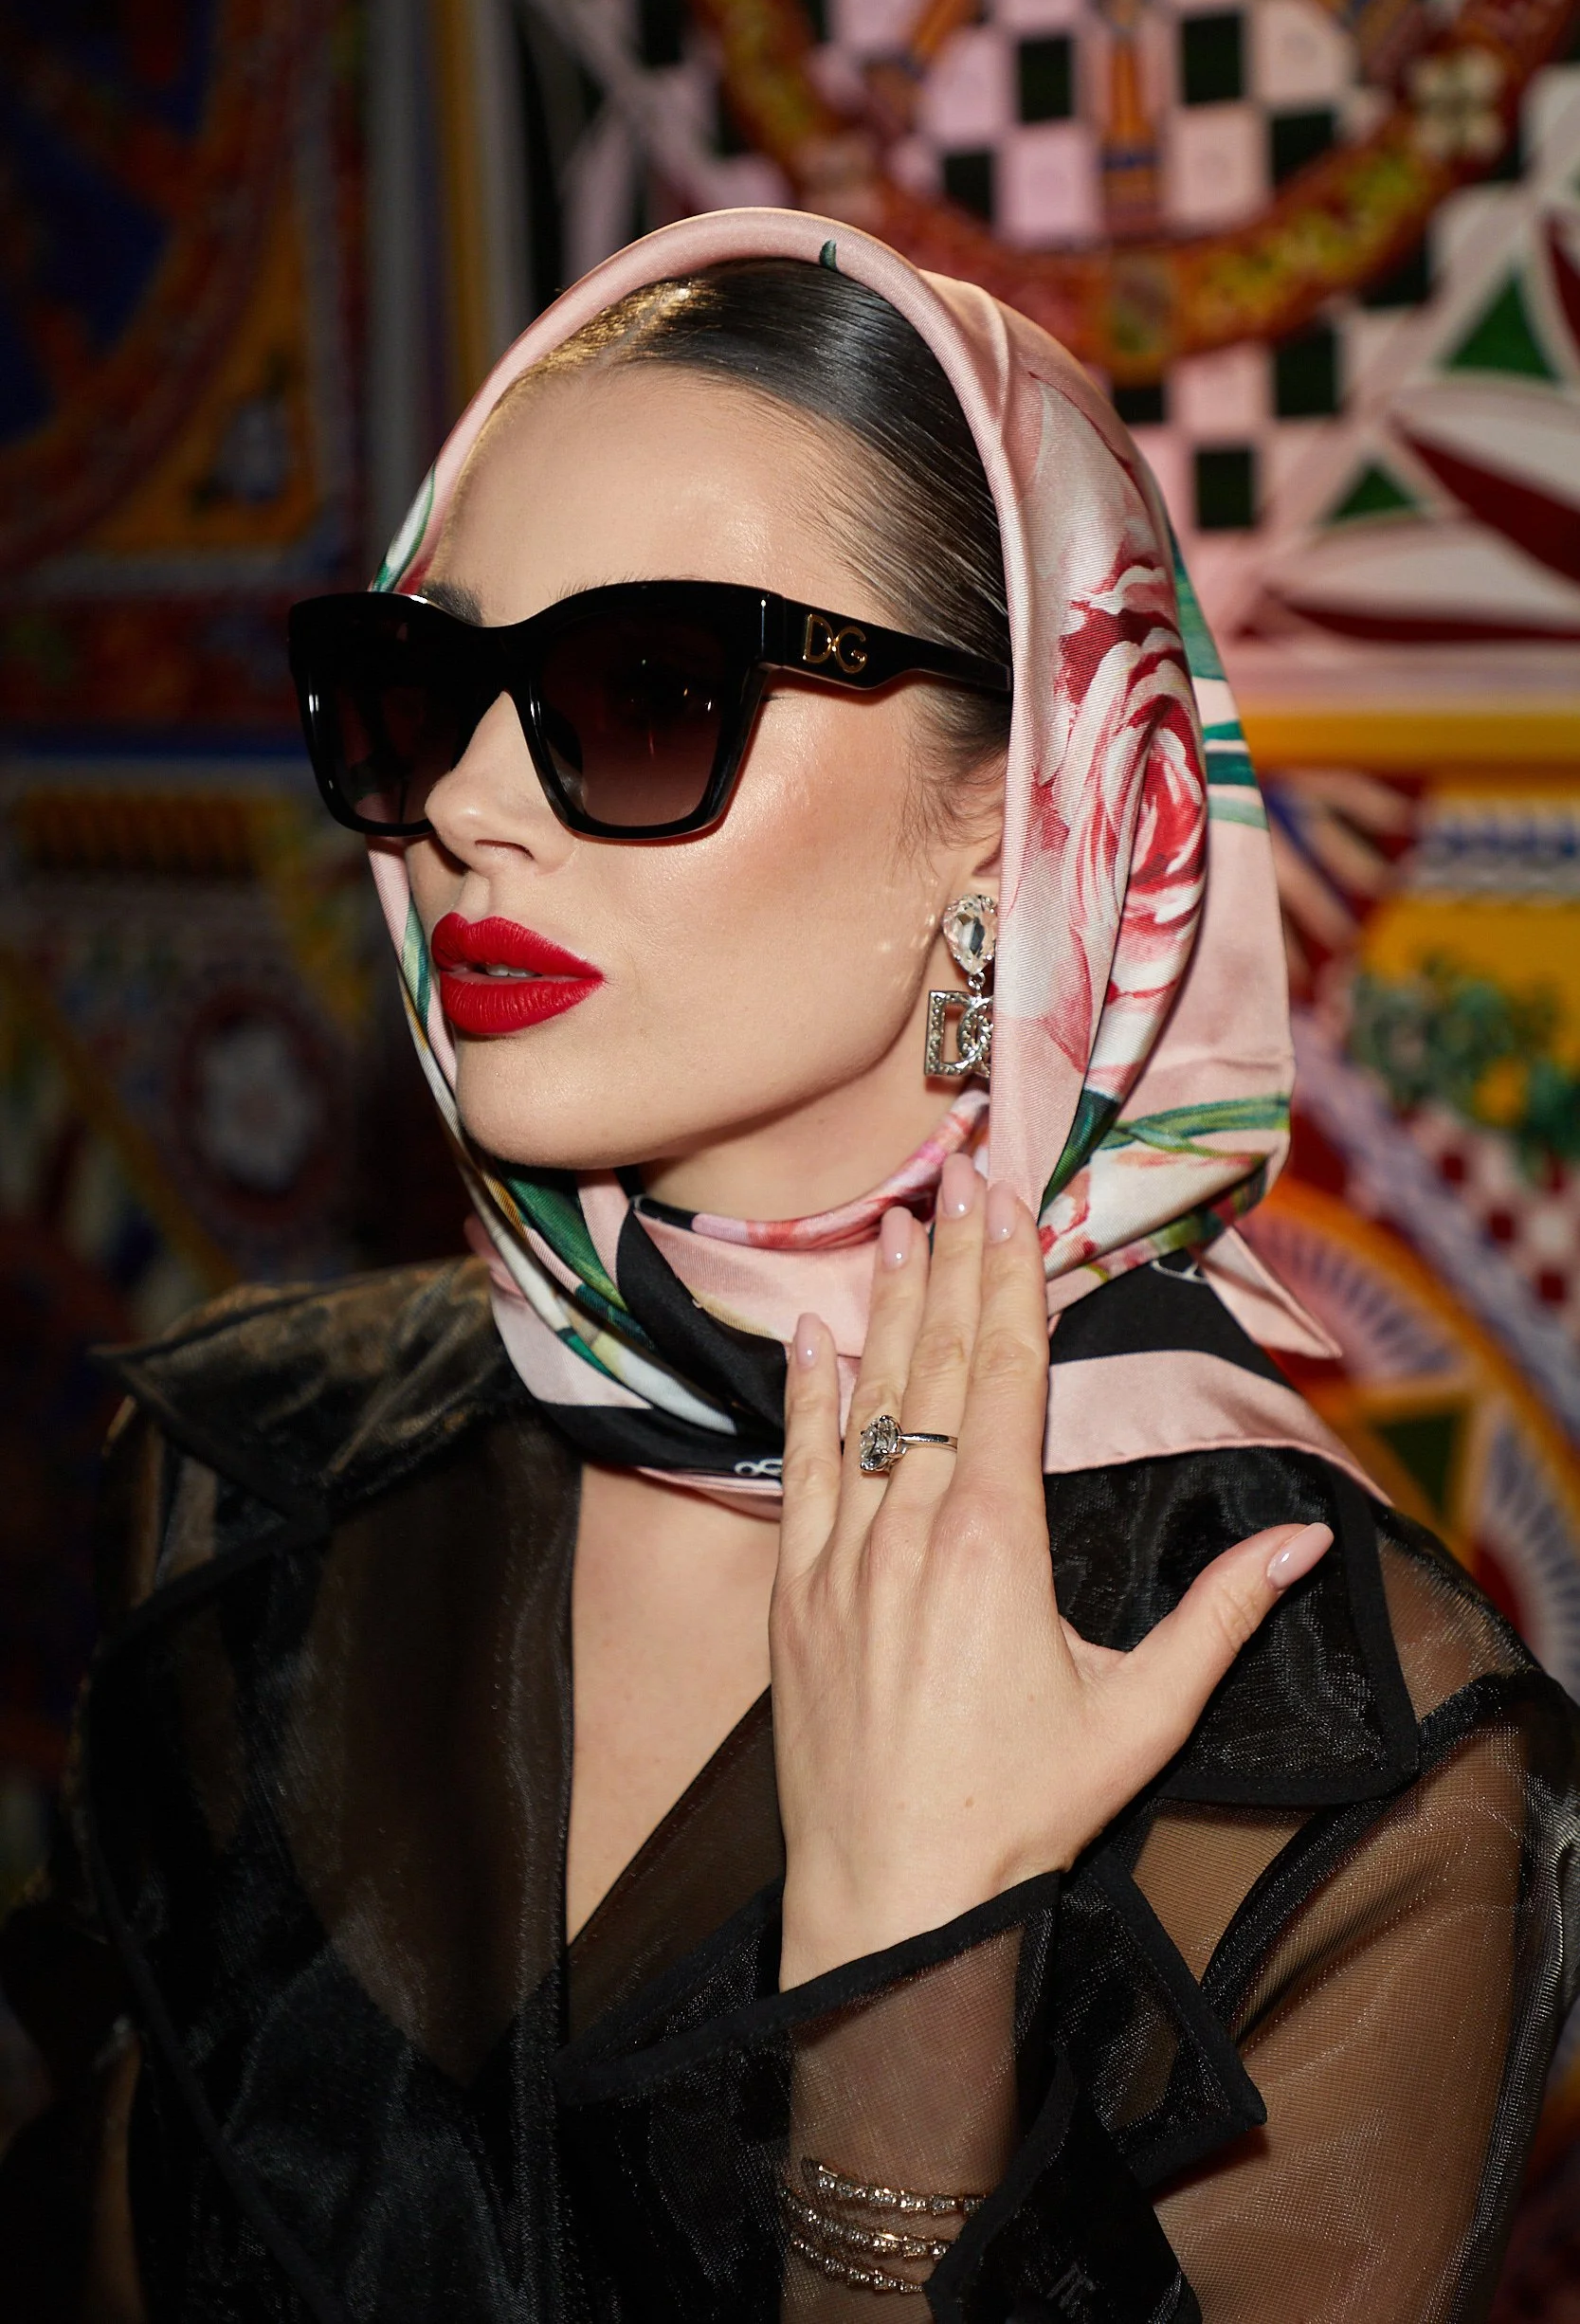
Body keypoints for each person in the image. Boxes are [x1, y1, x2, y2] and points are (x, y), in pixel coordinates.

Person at [3, 209, 1576, 2324]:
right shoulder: (255, 1473)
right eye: (421, 689)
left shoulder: (1329, 1738)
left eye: (644, 692)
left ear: (1018, 801)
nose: (465, 801)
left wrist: (902, 1992)